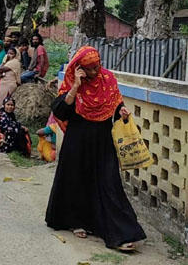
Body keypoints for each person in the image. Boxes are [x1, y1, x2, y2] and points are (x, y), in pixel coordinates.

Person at [45, 46, 145, 251]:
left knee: (109, 181)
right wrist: (75, 86)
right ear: (80, 68)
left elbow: (115, 104)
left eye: (96, 67)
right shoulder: (73, 84)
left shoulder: (108, 79)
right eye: (89, 69)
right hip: (78, 139)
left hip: (102, 139)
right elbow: (61, 112)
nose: (94, 72)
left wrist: (122, 111)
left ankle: (121, 233)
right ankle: (76, 221)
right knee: (77, 179)